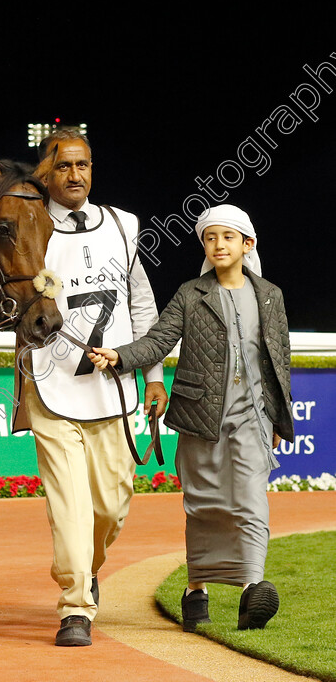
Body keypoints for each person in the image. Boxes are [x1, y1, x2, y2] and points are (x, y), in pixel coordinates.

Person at [89, 204, 294, 632]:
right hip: (199, 416)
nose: (219, 244)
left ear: (247, 243)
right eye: (210, 237)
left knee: (251, 500)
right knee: (204, 505)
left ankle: (252, 587)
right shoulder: (190, 293)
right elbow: (158, 340)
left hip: (253, 418)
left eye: (228, 237)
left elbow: (280, 361)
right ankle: (195, 587)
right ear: (204, 245)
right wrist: (120, 357)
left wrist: (278, 418)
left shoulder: (271, 294)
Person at [13, 128, 167, 647]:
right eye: (63, 167)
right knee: (70, 508)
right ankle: (75, 606)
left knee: (110, 505)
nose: (74, 175)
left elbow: (142, 306)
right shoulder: (31, 228)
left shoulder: (123, 227)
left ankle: (86, 568)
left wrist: (152, 372)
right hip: (52, 389)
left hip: (117, 392)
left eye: (82, 165)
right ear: (45, 173)